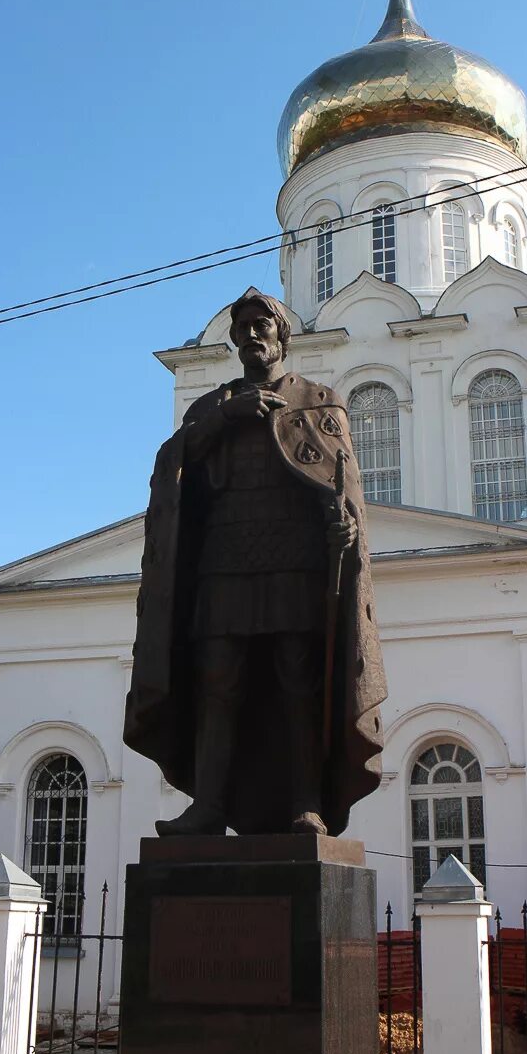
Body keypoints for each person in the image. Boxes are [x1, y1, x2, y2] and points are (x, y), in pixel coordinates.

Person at [124, 290, 387, 836]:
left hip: (294, 563)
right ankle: (211, 807)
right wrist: (225, 419)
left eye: (260, 323)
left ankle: (305, 803)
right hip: (223, 562)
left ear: (281, 333)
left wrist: (345, 528)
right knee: (218, 686)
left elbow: (345, 491)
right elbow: (171, 467)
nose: (250, 334)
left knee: (298, 682)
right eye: (240, 326)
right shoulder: (210, 409)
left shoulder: (319, 402)